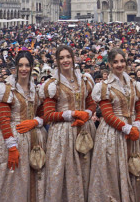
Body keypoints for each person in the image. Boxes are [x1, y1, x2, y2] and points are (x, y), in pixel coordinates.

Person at [88, 48, 140, 202]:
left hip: (134, 129)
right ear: (109, 64)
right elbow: (107, 115)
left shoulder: (135, 84)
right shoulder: (104, 87)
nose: (119, 65)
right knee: (113, 172)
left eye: (122, 61)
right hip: (113, 132)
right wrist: (127, 128)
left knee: (135, 168)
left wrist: (137, 124)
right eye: (115, 62)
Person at [40, 45, 97, 202]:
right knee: (65, 174)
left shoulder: (84, 79)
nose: (65, 60)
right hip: (63, 133)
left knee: (86, 170)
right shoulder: (53, 84)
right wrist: (71, 114)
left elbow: (91, 103)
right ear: (57, 61)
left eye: (68, 57)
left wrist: (87, 113)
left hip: (85, 128)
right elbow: (48, 114)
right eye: (61, 58)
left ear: (73, 58)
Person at [0, 50, 45, 202]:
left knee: (34, 178)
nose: (23, 69)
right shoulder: (7, 89)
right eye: (20, 65)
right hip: (14, 138)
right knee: (12, 180)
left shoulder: (36, 90)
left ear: (32, 67)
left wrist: (36, 121)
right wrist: (11, 146)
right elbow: (3, 118)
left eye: (27, 65)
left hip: (34, 137)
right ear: (15, 68)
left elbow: (43, 114)